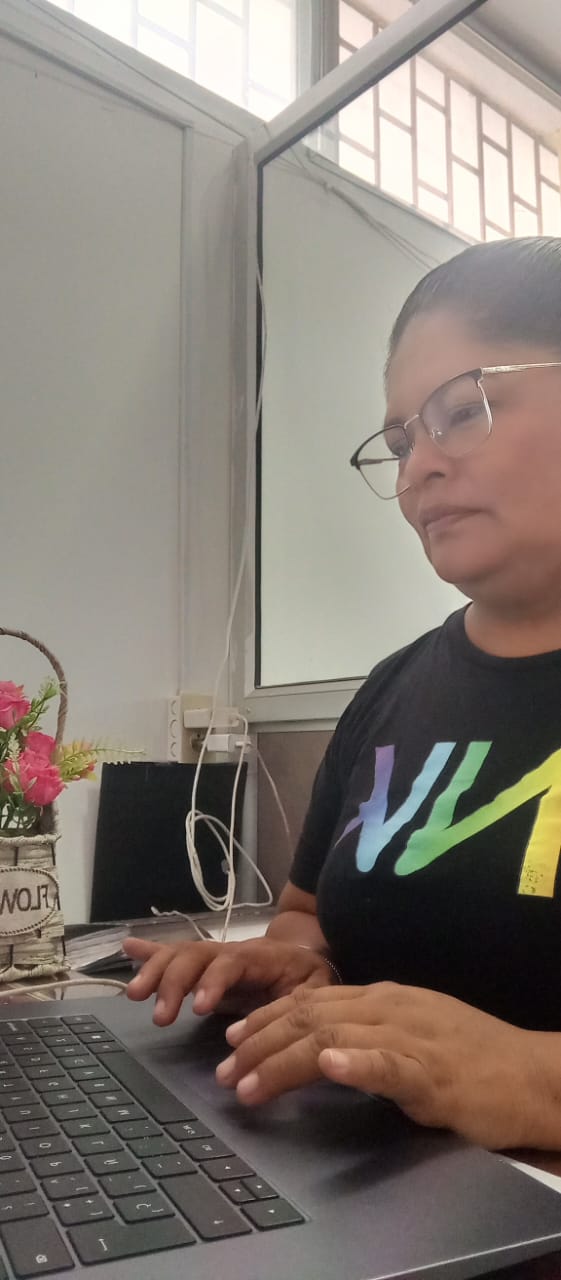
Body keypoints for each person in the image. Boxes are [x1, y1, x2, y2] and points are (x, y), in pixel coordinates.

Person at [125, 235, 561, 1153]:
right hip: (354, 1181)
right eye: (400, 442)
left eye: (460, 411)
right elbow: (309, 914)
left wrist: (531, 1077)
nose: (417, 469)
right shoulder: (394, 689)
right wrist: (291, 967)